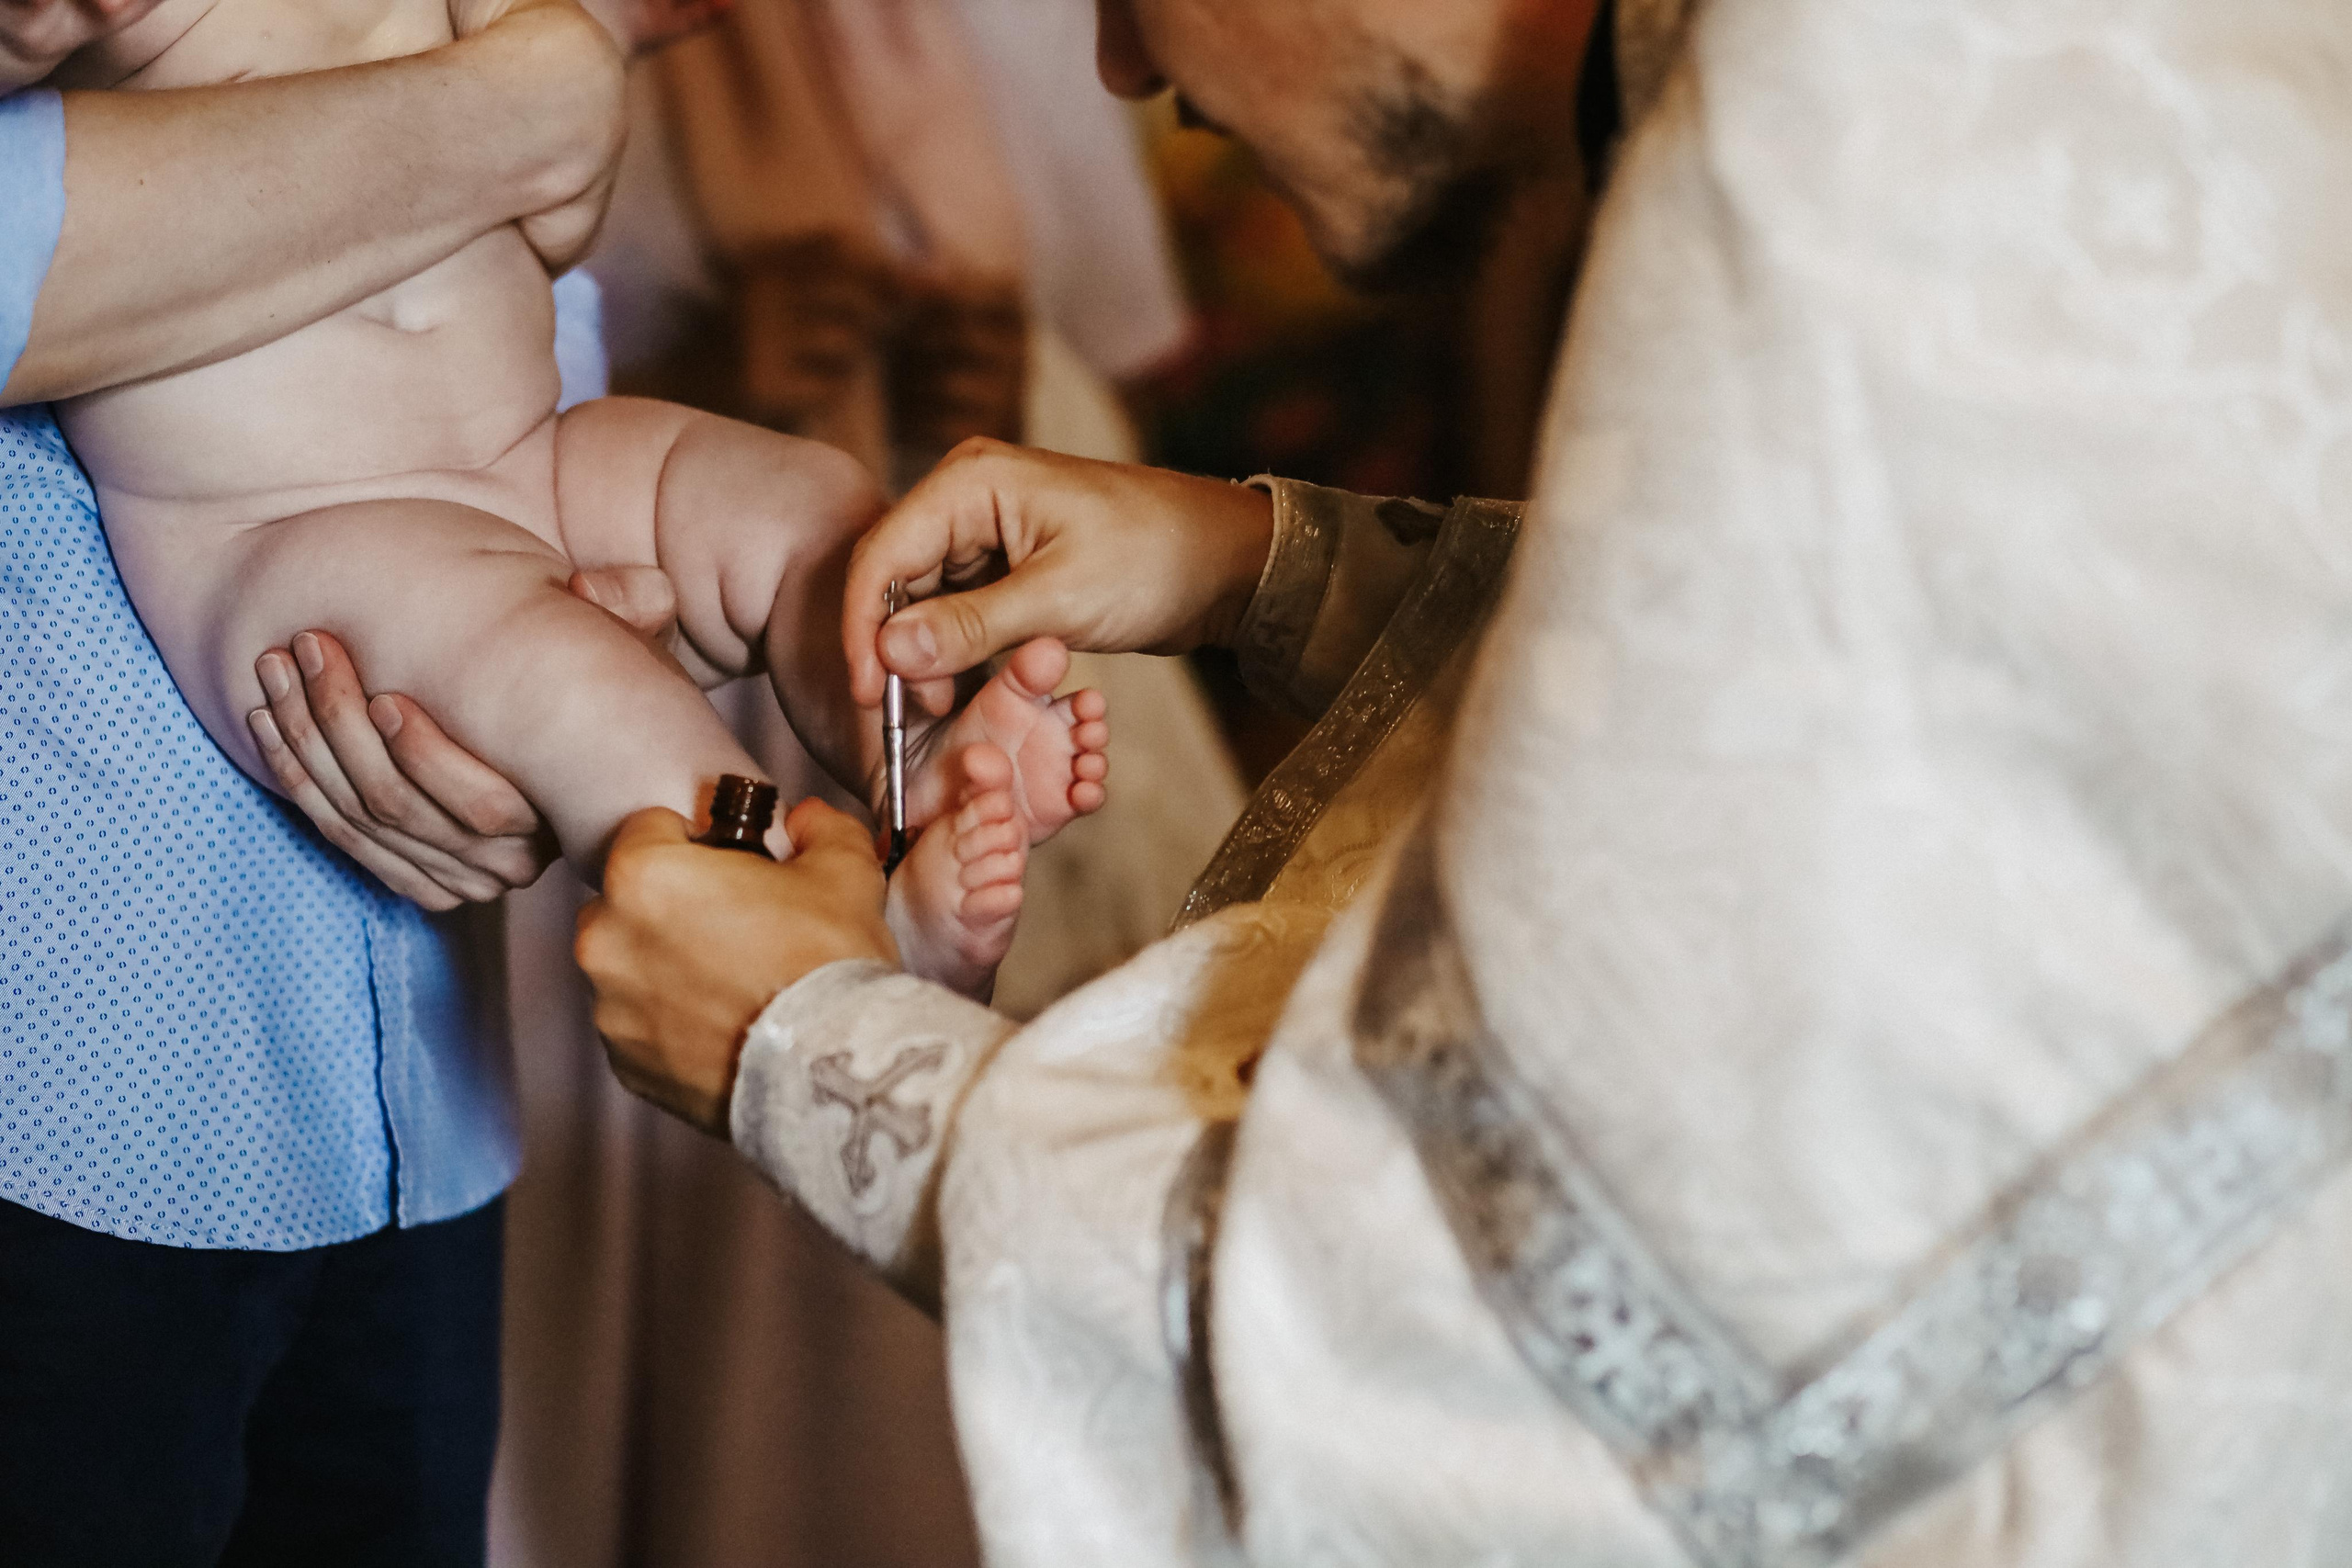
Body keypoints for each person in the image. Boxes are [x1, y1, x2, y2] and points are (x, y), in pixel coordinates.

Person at [600, 0, 2352, 1562]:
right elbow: (1912, 673)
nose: (1122, 63)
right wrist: (1256, 563)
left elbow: (1487, 1379)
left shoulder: (1816, 153)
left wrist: (803, 1044)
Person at [43, 0, 1111, 1001]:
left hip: (527, 449)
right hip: (297, 527)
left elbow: (558, 211)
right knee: (561, 668)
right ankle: (838, 934)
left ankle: (903, 756)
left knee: (808, 509)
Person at [0, 3, 645, 1561]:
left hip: (419, 1093)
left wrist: (560, 596)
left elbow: (544, 310)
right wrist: (526, 105)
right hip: (68, 1077)